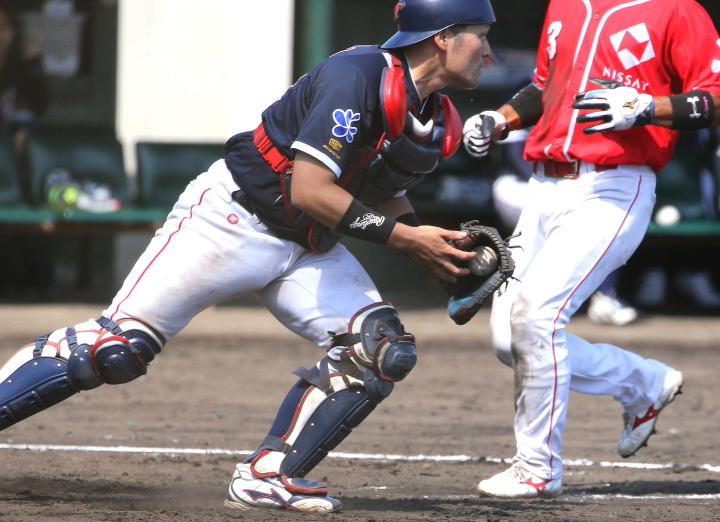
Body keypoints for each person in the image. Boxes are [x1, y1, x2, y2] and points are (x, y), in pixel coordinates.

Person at [0, 0, 496, 513]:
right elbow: (310, 189)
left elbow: (382, 191)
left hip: (308, 246)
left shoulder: (432, 115)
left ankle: (268, 476)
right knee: (114, 350)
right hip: (231, 222)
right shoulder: (357, 75)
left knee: (381, 349)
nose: (489, 52)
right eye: (480, 36)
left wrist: (436, 251)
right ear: (442, 37)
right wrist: (405, 240)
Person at [462, 0, 720, 499]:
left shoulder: (677, 9)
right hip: (542, 187)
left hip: (613, 186)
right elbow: (545, 87)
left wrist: (646, 107)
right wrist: (500, 118)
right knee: (508, 340)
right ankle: (644, 383)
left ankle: (537, 468)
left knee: (536, 317)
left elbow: (714, 96)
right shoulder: (565, 4)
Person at [492, 125, 639, 325]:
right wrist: (560, 186)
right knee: (562, 217)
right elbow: (514, 156)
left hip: (572, 185)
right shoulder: (530, 105)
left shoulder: (590, 108)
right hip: (519, 185)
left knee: (603, 215)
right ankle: (521, 299)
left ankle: (604, 298)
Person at [0, 0, 52, 298]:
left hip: (17, 159)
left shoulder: (21, 66)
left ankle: (34, 281)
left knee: (29, 208)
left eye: (5, 27)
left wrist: (34, 62)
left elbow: (39, 104)